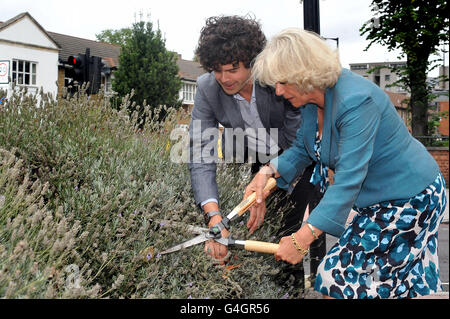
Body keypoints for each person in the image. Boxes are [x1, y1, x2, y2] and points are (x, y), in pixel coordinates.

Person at [245, 28, 447, 299]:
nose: (279, 92)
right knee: (392, 285)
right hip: (381, 200)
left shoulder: (356, 102)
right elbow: (304, 151)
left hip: (412, 198)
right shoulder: (310, 103)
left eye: (282, 82)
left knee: (336, 278)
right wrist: (267, 173)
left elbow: (349, 181)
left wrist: (301, 239)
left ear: (303, 74)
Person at [189, 16, 319, 294]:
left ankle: (303, 287)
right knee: (261, 230)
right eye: (217, 70)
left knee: (291, 231)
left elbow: (299, 140)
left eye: (233, 69)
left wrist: (270, 183)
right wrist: (213, 217)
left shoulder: (277, 79)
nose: (225, 78)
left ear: (252, 61)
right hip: (259, 161)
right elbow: (201, 154)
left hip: (303, 156)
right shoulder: (207, 88)